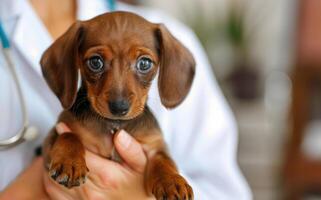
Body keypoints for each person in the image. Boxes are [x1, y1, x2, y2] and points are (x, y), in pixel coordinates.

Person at [0, 0, 252, 199]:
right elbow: (60, 139)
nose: (119, 98)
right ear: (71, 62)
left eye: (144, 64)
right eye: (96, 62)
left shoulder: (168, 33)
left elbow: (227, 192)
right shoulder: (77, 44)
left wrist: (143, 193)